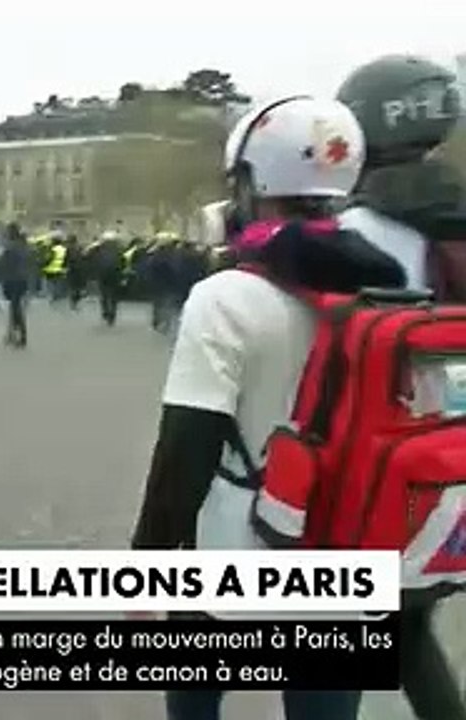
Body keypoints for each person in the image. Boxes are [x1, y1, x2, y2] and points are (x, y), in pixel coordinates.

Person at [130, 96, 405, 720]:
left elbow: (185, 447)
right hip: (347, 541)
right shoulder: (390, 283)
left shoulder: (225, 296)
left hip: (236, 543)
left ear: (254, 183)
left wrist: (148, 561)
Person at [336, 54, 466, 720]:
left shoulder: (359, 229)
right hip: (456, 449)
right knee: (407, 623)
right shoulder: (457, 209)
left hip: (391, 456)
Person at [0, 223, 32, 347]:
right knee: (15, 307)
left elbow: (4, 264)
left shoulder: (10, 247)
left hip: (13, 280)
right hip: (23, 280)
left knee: (15, 308)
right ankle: (13, 335)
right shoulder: (25, 245)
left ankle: (20, 336)